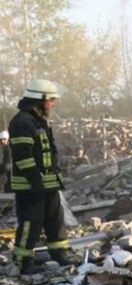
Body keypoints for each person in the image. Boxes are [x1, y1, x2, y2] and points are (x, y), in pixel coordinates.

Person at [9, 79, 75, 274]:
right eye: (51, 100)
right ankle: (23, 262)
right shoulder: (22, 122)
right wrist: (35, 180)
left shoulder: (39, 120)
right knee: (31, 222)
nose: (53, 104)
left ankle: (59, 254)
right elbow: (23, 156)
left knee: (55, 219)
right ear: (41, 99)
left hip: (48, 183)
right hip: (30, 185)